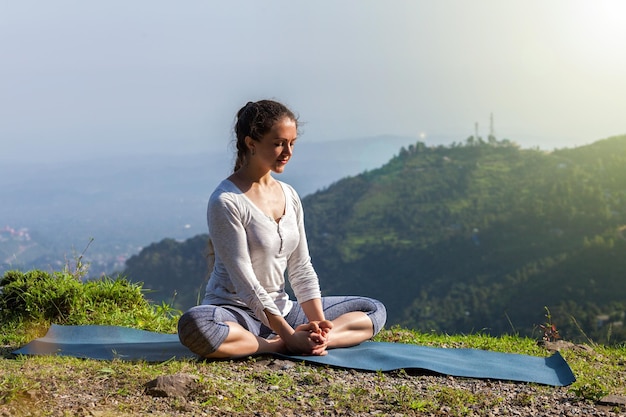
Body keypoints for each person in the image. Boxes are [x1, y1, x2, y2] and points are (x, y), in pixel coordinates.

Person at [177, 99, 386, 358]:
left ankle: (318, 341)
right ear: (251, 143)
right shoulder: (226, 201)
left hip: (284, 310)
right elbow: (247, 285)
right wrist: (287, 336)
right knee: (196, 325)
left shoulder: (289, 195)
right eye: (278, 144)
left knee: (373, 309)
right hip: (238, 313)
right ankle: (276, 345)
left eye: (292, 143)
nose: (287, 151)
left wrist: (318, 326)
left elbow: (301, 267)